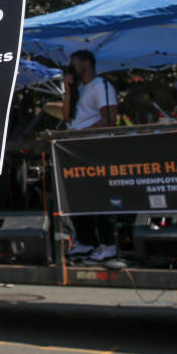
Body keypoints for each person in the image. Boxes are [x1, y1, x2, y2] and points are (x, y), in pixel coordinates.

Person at [62, 50, 119, 262]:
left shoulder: (101, 85)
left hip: (94, 147)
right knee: (78, 197)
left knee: (99, 197)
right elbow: (67, 116)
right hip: (76, 148)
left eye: (75, 63)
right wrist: (68, 90)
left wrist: (83, 133)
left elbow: (110, 117)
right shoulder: (79, 89)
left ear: (87, 63)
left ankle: (107, 244)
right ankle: (86, 241)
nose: (72, 68)